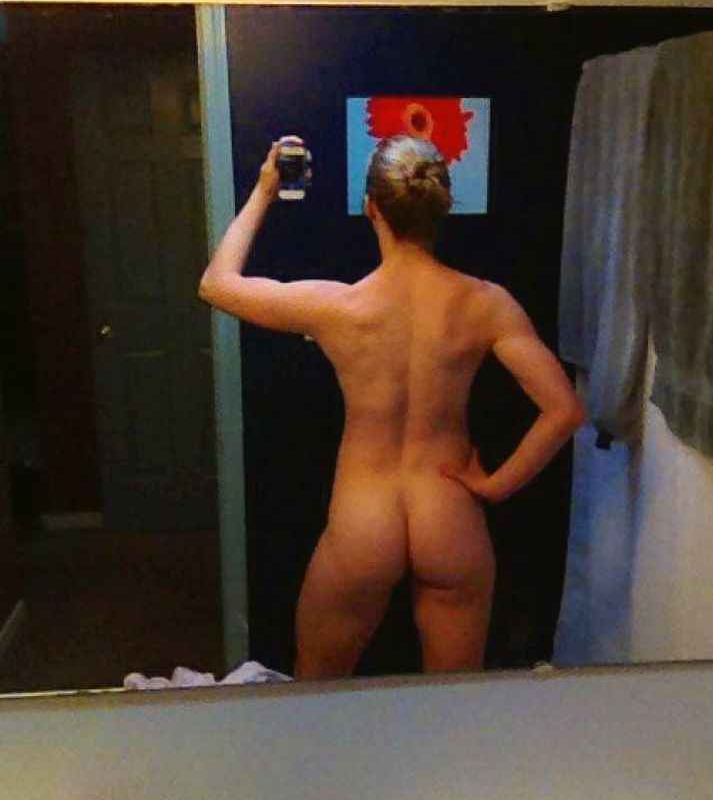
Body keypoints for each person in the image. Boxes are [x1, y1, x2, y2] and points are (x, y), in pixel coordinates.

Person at [199, 135, 585, 678]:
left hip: (365, 516)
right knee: (453, 701)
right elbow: (564, 410)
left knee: (317, 688)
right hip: (447, 511)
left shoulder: (338, 306)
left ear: (371, 207)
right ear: (442, 207)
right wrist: (496, 485)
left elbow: (217, 285)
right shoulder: (487, 304)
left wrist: (266, 190)